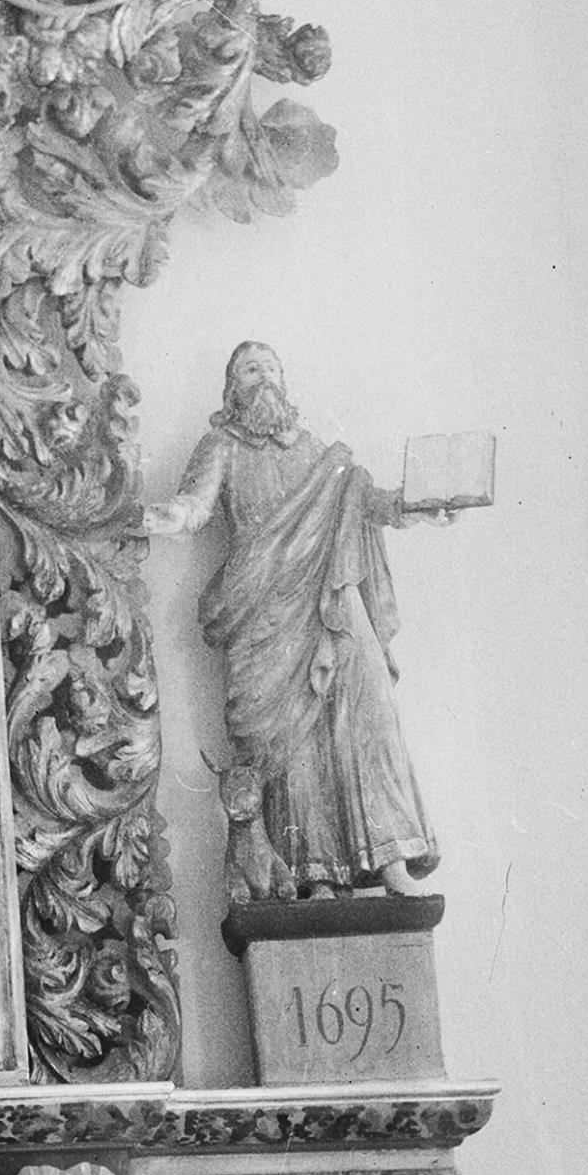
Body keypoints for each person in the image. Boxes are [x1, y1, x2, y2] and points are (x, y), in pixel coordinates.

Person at [142, 340, 437, 898]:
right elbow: (194, 507)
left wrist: (413, 506)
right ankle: (310, 873)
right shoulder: (222, 446)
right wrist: (159, 516)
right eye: (251, 369)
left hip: (331, 599)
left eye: (271, 368)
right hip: (264, 613)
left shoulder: (313, 451)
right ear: (233, 388)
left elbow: (362, 499)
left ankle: (392, 856)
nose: (264, 377)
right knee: (288, 745)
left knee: (369, 711)